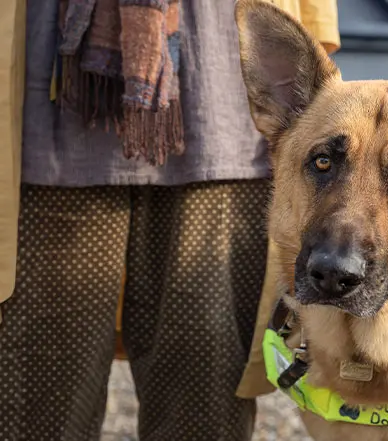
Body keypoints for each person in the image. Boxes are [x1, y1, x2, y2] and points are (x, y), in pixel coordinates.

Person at [0, 1, 340, 440]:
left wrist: (313, 29)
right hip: (49, 88)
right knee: (42, 389)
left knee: (205, 393)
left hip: (220, 93)